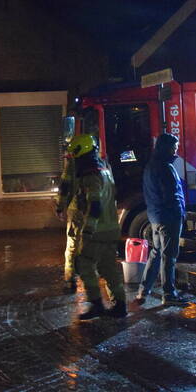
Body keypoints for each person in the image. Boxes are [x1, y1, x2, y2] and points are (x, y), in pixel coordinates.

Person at [65, 133, 127, 320]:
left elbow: (95, 204)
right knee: (108, 267)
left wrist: (88, 229)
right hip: (111, 228)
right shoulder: (104, 169)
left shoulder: (90, 175)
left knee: (83, 264)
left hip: (97, 231)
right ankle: (120, 306)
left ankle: (97, 304)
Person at [136, 133, 186, 306]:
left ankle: (144, 290)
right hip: (169, 217)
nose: (176, 150)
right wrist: (179, 213)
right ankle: (169, 294)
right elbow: (172, 194)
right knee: (169, 256)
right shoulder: (165, 167)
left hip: (155, 216)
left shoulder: (151, 165)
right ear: (167, 148)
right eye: (174, 147)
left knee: (156, 253)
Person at [54, 155, 80, 293]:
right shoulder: (101, 162)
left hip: (76, 211)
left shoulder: (72, 164)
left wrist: (59, 207)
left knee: (72, 248)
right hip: (95, 212)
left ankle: (70, 282)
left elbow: (64, 187)